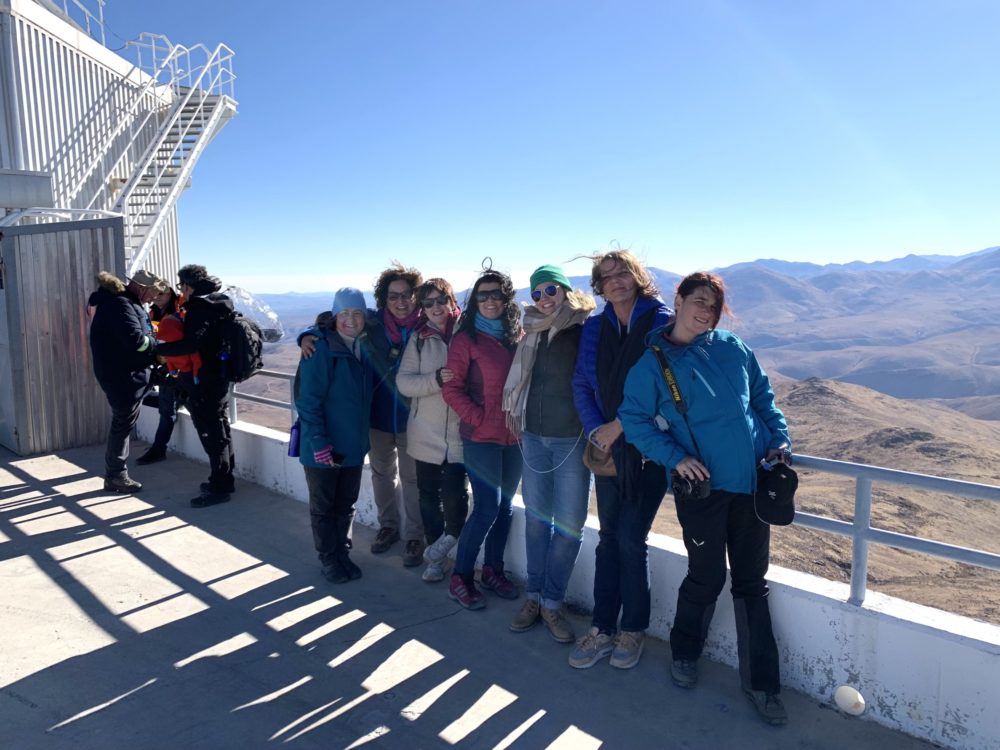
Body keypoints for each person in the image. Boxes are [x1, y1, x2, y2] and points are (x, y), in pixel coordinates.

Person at [619, 271, 792, 726]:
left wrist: (778, 438)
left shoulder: (732, 348)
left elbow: (762, 397)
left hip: (752, 485)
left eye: (713, 307)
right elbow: (633, 420)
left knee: (753, 583)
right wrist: (674, 458)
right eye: (698, 301)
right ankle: (685, 653)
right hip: (704, 493)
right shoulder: (654, 363)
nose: (705, 312)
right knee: (706, 575)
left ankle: (763, 685)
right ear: (678, 300)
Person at [569, 250, 672, 670]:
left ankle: (633, 629)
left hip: (651, 451)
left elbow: (666, 389)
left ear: (637, 276)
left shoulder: (662, 321)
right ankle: (602, 628)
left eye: (622, 272)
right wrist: (597, 429)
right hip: (608, 453)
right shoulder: (595, 327)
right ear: (598, 285)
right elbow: (581, 382)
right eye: (606, 276)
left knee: (631, 538)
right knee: (609, 538)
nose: (615, 281)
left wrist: (619, 427)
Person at [300, 263, 425, 566]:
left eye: (406, 294)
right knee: (382, 476)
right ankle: (388, 527)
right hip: (376, 418)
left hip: (413, 419)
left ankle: (413, 538)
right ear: (384, 299)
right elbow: (333, 321)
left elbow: (344, 318)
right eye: (393, 296)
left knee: (412, 479)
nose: (400, 301)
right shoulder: (375, 323)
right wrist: (306, 334)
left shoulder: (426, 325)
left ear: (415, 296)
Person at [504, 264, 595, 643]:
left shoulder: (584, 328)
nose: (543, 299)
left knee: (569, 527)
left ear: (565, 290)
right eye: (536, 293)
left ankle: (553, 602)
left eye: (550, 291)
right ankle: (534, 598)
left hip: (571, 440)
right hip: (533, 437)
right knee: (537, 523)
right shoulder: (530, 330)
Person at [442, 268, 523, 610]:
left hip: (514, 438)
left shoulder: (517, 335)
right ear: (475, 301)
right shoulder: (467, 339)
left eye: (496, 294)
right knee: (487, 507)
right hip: (481, 437)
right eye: (483, 295)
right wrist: (479, 418)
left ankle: (493, 570)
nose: (490, 301)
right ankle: (461, 576)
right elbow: (451, 387)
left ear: (506, 299)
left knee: (504, 509)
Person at [295, 288, 374, 584]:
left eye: (357, 313)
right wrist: (318, 443)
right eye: (344, 314)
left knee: (345, 505)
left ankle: (342, 552)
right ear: (334, 316)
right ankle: (329, 558)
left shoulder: (364, 345)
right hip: (323, 447)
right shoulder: (320, 348)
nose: (351, 320)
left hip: (353, 446)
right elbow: (308, 400)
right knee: (324, 507)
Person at [396, 278, 470, 583]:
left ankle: (446, 545)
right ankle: (436, 556)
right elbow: (404, 382)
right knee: (428, 497)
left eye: (441, 300)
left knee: (455, 496)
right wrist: (435, 380)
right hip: (424, 433)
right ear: (422, 308)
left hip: (460, 433)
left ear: (452, 301)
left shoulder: (469, 332)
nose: (436, 307)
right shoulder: (420, 338)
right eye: (428, 303)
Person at [155, 264, 236, 508]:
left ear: (188, 286)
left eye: (181, 286)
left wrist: (157, 349)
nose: (181, 291)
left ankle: (219, 487)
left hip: (205, 380)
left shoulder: (200, 308)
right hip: (219, 377)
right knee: (220, 429)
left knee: (211, 433)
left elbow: (192, 345)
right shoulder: (219, 302)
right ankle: (223, 479)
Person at [87, 270, 159, 493]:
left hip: (127, 373)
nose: (155, 297)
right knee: (123, 422)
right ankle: (116, 476)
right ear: (141, 287)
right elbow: (136, 341)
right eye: (154, 292)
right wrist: (159, 346)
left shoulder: (124, 303)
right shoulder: (121, 305)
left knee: (131, 415)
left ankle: (116, 474)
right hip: (123, 376)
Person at [137, 282, 182, 466]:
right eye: (156, 293)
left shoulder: (179, 313)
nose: (157, 296)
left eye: (162, 293)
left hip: (174, 368)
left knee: (166, 411)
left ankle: (159, 449)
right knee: (143, 396)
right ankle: (179, 400)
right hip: (160, 366)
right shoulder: (153, 313)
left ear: (171, 294)